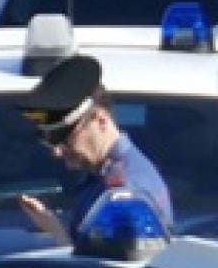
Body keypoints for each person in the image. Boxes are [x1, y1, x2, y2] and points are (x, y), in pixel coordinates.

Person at [18, 56, 175, 241]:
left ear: (101, 121)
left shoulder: (125, 193)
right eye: (49, 140)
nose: (57, 151)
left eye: (63, 137)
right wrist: (52, 226)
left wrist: (58, 234)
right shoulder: (105, 175)